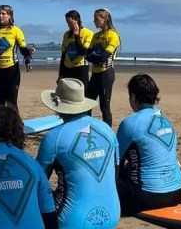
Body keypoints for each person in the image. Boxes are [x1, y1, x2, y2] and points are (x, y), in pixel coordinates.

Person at [36, 78, 120, 229]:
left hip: (71, 221)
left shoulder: (54, 137)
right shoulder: (107, 129)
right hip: (113, 215)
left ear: (58, 106)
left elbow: (38, 184)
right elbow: (115, 173)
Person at [116, 74, 181, 215]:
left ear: (133, 97)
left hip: (147, 197)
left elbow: (115, 163)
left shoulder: (130, 123)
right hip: (177, 193)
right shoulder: (165, 119)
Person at [0, 4, 35, 111]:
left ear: (10, 16)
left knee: (11, 103)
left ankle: (14, 126)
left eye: (3, 14)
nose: (0, 16)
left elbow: (23, 51)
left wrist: (29, 52)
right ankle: (0, 126)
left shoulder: (16, 30)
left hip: (12, 70)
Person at [84, 8, 120, 127]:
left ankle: (108, 133)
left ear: (105, 19)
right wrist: (95, 57)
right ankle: (87, 128)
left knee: (104, 106)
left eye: (96, 19)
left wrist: (95, 57)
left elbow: (103, 58)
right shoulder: (96, 36)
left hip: (106, 74)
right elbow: (87, 55)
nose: (94, 21)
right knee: (87, 103)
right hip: (95, 74)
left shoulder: (113, 35)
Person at [59, 10, 94, 86]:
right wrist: (60, 74)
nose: (69, 25)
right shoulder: (66, 34)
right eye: (67, 23)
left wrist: (77, 35)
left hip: (81, 68)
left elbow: (83, 52)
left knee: (82, 95)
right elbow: (63, 55)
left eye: (71, 23)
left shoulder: (88, 33)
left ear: (77, 20)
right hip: (67, 68)